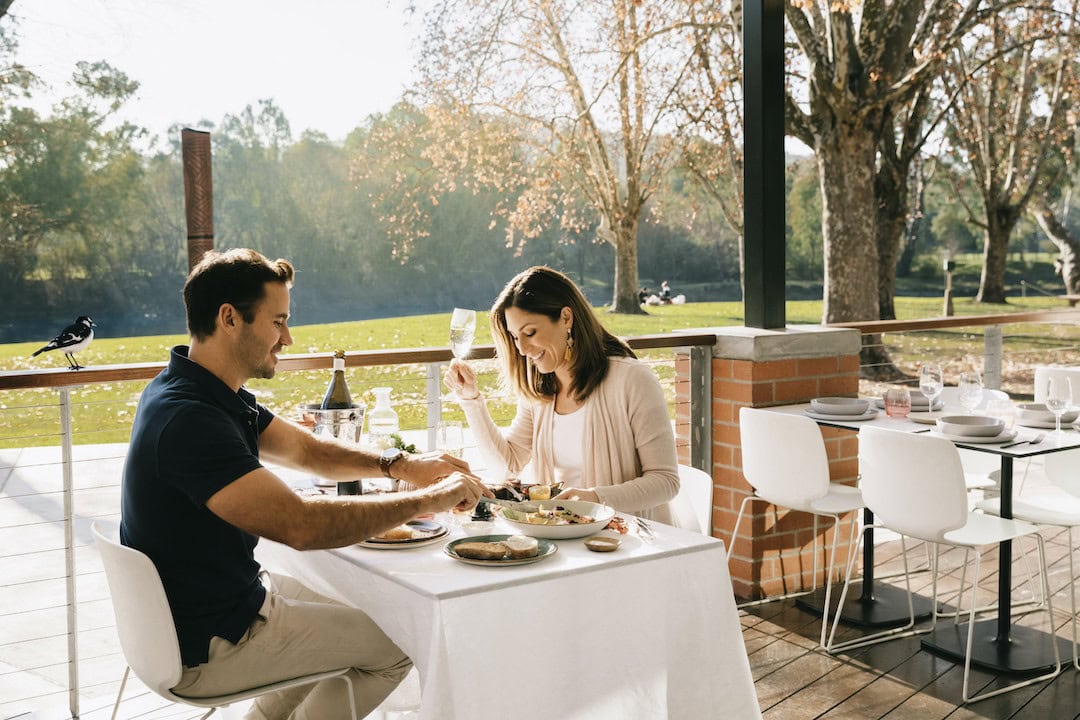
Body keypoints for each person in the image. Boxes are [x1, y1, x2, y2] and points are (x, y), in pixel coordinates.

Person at [121, 248, 488, 719]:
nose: (287, 338)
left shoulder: (192, 389)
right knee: (398, 644)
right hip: (212, 642)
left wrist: (400, 464)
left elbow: (307, 451)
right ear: (229, 318)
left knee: (356, 607)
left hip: (198, 615)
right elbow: (302, 526)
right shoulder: (190, 420)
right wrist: (432, 498)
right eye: (278, 322)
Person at [443, 266, 679, 523]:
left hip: (628, 542)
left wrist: (595, 499)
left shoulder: (632, 379)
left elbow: (665, 481)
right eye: (515, 337)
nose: (522, 349)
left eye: (530, 332)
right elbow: (506, 466)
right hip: (563, 538)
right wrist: (471, 400)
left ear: (566, 318)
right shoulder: (540, 393)